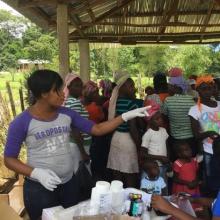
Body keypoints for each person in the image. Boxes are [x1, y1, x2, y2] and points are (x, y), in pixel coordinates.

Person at [4, 69, 150, 220]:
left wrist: (124, 117)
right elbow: (9, 159)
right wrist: (36, 173)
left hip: (68, 183)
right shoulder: (22, 122)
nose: (63, 94)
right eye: (57, 91)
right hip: (40, 189)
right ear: (43, 93)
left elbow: (97, 129)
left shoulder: (66, 114)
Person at [107, 70, 142, 188]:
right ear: (122, 88)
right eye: (131, 86)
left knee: (117, 173)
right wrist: (139, 146)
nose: (134, 89)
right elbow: (133, 128)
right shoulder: (131, 104)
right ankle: (130, 199)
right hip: (128, 141)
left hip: (116, 138)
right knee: (129, 173)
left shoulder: (114, 103)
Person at [188, 75, 220, 194]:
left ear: (213, 89)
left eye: (209, 88)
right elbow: (196, 135)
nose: (207, 91)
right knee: (213, 184)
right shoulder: (194, 110)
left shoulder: (219, 104)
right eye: (203, 89)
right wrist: (209, 133)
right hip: (210, 152)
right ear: (197, 90)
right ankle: (214, 209)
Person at [161, 68, 196, 160]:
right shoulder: (191, 100)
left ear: (175, 87)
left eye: (170, 85)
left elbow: (164, 116)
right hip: (191, 137)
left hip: (176, 138)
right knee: (191, 161)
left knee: (178, 161)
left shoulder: (168, 100)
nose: (168, 87)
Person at [141, 100, 170, 182]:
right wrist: (160, 158)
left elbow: (167, 146)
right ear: (149, 121)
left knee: (162, 187)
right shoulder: (148, 134)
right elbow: (143, 154)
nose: (160, 120)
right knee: (152, 187)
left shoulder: (164, 130)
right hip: (152, 168)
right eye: (157, 119)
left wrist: (167, 160)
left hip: (163, 165)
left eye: (160, 117)